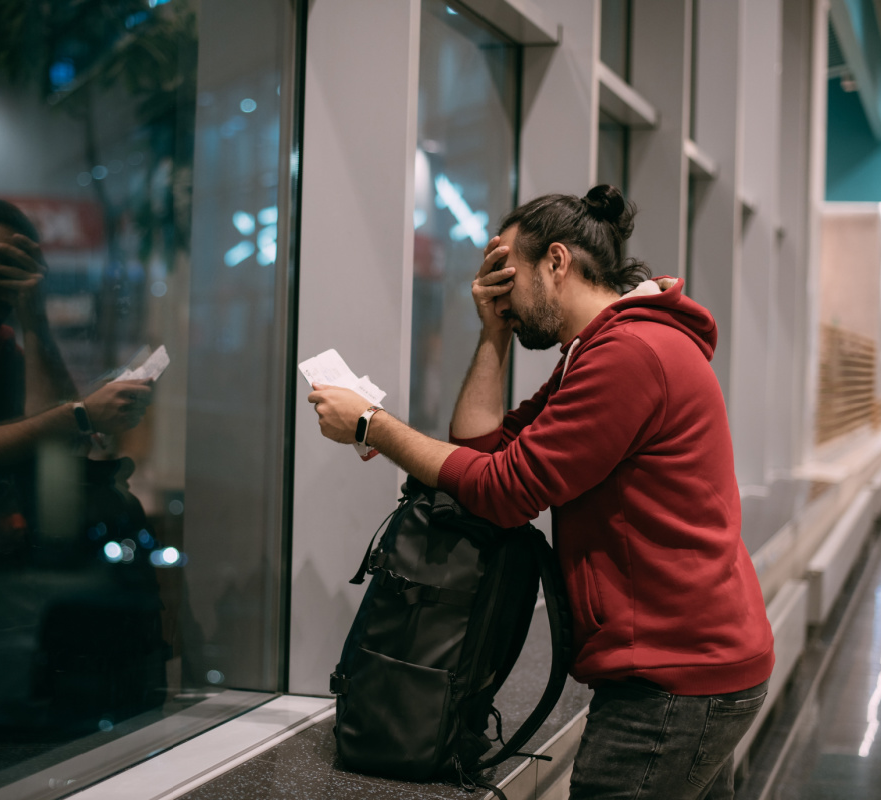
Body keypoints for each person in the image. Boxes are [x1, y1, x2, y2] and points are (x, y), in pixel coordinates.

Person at [308, 185, 774, 799]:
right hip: (691, 663)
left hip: (672, 679)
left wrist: (372, 424)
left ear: (556, 262)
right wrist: (493, 333)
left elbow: (505, 490)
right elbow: (482, 452)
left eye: (506, 270)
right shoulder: (597, 351)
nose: (496, 288)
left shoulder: (629, 355)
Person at [0, 188, 161, 742]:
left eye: (25, 271)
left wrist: (34, 319)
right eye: (1, 267)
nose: (9, 286)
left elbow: (58, 443)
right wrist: (78, 413)